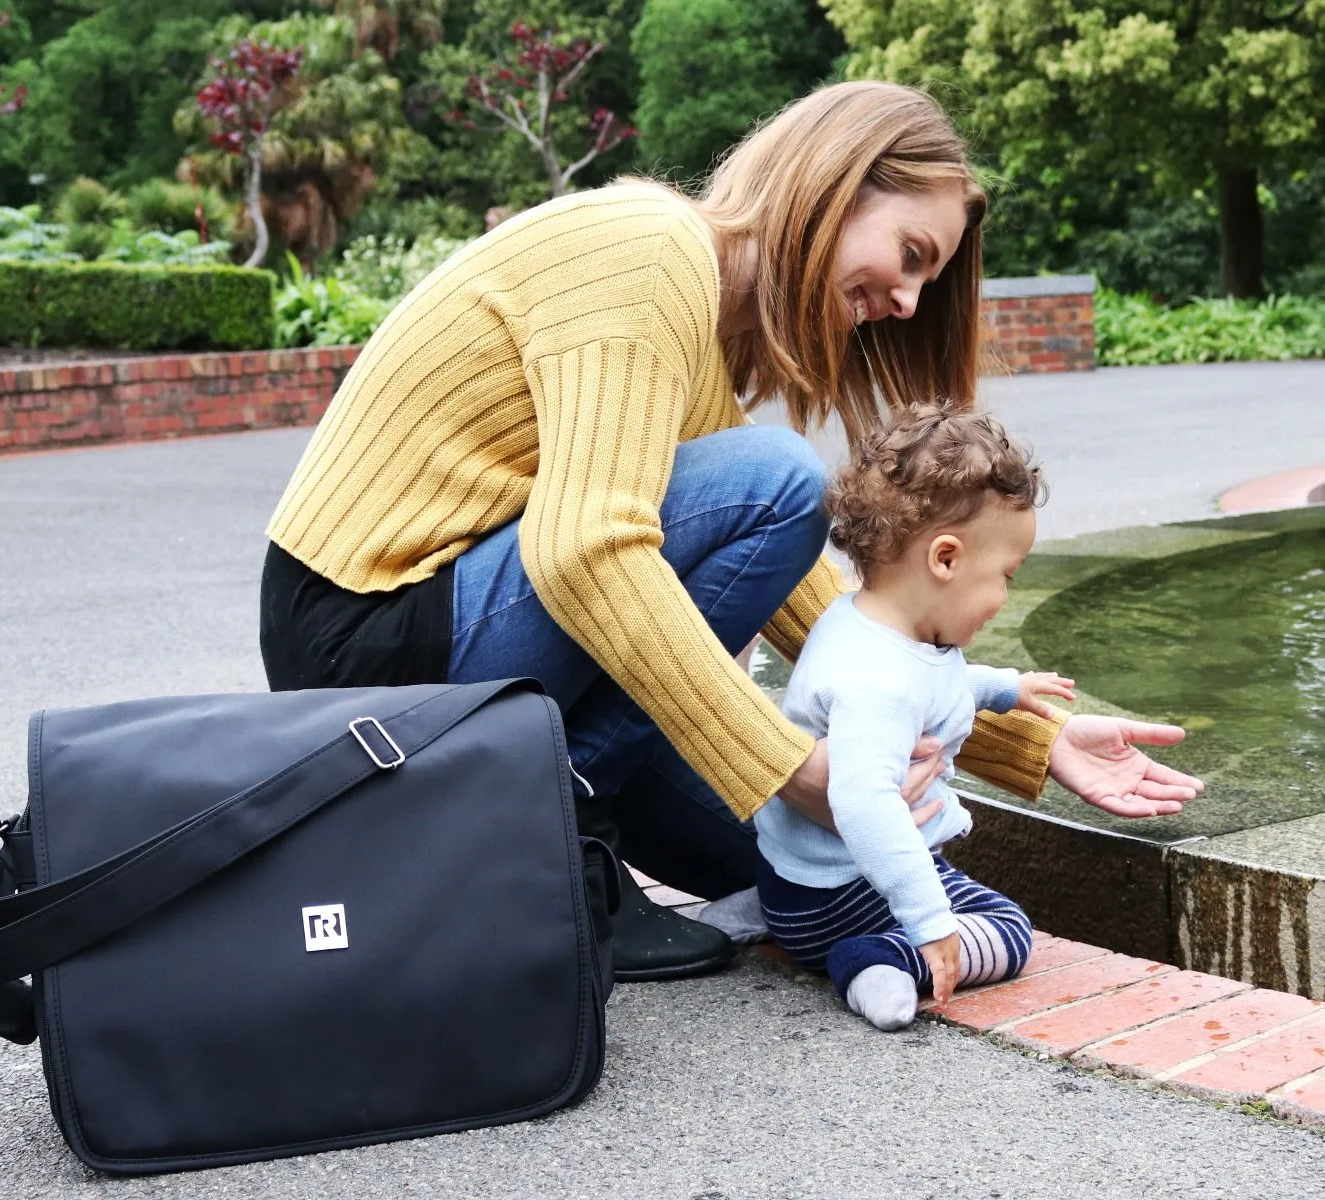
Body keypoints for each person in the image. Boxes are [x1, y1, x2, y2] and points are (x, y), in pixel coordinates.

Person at [258, 81, 1204, 981]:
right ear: (837, 180)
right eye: (911, 254)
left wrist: (1024, 742)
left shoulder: (698, 324)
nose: (910, 302)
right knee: (783, 482)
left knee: (784, 865)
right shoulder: (643, 249)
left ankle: (563, 831)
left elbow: (813, 604)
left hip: (448, 629)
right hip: (367, 634)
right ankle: (538, 859)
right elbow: (588, 549)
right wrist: (789, 764)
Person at [756, 405, 1078, 1030]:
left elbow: (935, 685)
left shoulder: (863, 625)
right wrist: (930, 923)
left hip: (797, 882)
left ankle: (770, 913)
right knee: (1010, 930)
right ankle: (879, 960)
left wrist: (1004, 688)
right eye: (1005, 577)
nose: (1004, 599)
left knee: (944, 902)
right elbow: (864, 801)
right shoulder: (881, 684)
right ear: (947, 559)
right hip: (842, 899)